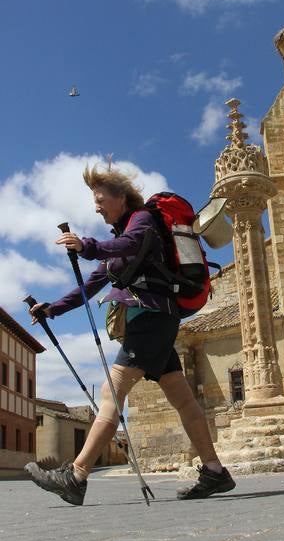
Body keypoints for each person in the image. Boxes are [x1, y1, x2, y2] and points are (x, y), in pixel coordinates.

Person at [25, 165, 235, 505]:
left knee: (112, 391)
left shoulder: (142, 221)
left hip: (151, 320)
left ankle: (76, 475)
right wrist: (52, 309)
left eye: (100, 199)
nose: (96, 206)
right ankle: (215, 471)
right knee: (182, 399)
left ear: (121, 197)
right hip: (156, 321)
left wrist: (87, 245)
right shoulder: (119, 244)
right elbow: (89, 285)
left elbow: (128, 242)